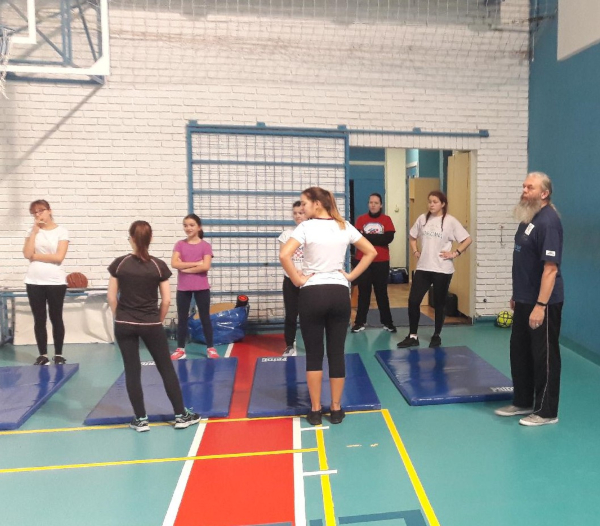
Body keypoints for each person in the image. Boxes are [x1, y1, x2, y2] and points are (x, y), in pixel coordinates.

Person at [279, 187, 377, 426]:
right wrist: (350, 276)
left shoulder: (306, 227)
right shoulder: (344, 226)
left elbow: (284, 255)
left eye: (304, 203)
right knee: (336, 353)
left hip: (312, 293)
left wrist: (297, 279)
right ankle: (335, 408)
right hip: (339, 293)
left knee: (314, 355)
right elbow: (371, 251)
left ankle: (315, 410)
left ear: (317, 203)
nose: (302, 208)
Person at [107, 220, 200, 432]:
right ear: (151, 239)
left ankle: (140, 419)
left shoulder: (119, 264)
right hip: (151, 323)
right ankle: (181, 416)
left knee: (132, 370)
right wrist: (158, 320)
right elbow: (166, 300)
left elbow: (111, 297)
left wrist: (120, 317)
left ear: (131, 239)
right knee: (165, 368)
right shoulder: (158, 266)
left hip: (124, 323)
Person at [495, 172, 563, 427]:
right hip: (524, 299)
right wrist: (517, 295)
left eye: (530, 187)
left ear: (544, 193)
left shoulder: (549, 222)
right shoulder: (528, 218)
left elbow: (550, 269)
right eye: (524, 186)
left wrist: (540, 306)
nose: (524, 190)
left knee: (544, 357)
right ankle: (523, 401)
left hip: (543, 303)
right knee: (520, 351)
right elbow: (524, 261)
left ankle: (546, 412)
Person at [397, 190, 472, 349]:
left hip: (442, 269)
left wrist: (455, 253)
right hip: (424, 267)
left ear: (442, 204)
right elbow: (412, 236)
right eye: (430, 201)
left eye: (435, 202)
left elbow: (467, 239)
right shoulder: (422, 219)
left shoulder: (450, 221)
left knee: (439, 303)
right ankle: (413, 336)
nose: (431, 204)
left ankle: (436, 335)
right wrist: (415, 251)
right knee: (413, 301)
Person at [22, 200, 70, 365]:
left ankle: (58, 354)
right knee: (39, 319)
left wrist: (36, 256)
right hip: (34, 280)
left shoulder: (61, 231)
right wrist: (34, 232)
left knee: (56, 317)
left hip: (55, 281)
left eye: (40, 211)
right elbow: (27, 254)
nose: (37, 215)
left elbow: (59, 257)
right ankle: (42, 355)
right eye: (34, 212)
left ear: (49, 211)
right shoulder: (32, 231)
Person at [170, 214, 217, 360]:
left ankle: (210, 347)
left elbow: (206, 266)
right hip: (183, 288)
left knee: (205, 317)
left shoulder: (205, 246)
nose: (188, 228)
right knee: (182, 318)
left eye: (191, 225)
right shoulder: (180, 244)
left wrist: (185, 268)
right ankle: (180, 349)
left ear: (199, 227)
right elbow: (174, 263)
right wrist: (196, 263)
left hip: (201, 287)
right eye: (185, 225)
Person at [351, 193, 396, 333]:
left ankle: (388, 322)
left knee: (381, 292)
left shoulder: (386, 219)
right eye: (371, 202)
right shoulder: (361, 219)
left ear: (380, 205)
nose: (373, 205)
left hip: (381, 261)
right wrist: (377, 238)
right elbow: (357, 239)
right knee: (363, 292)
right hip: (363, 261)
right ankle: (359, 322)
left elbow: (388, 238)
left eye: (376, 203)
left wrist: (367, 238)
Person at [277, 201, 306, 356]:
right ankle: (289, 344)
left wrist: (304, 273)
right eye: (295, 213)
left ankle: (312, 344)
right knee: (291, 314)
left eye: (300, 213)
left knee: (309, 314)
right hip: (290, 280)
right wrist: (294, 273)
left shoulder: (312, 234)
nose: (297, 216)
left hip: (308, 280)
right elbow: (284, 257)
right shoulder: (287, 235)